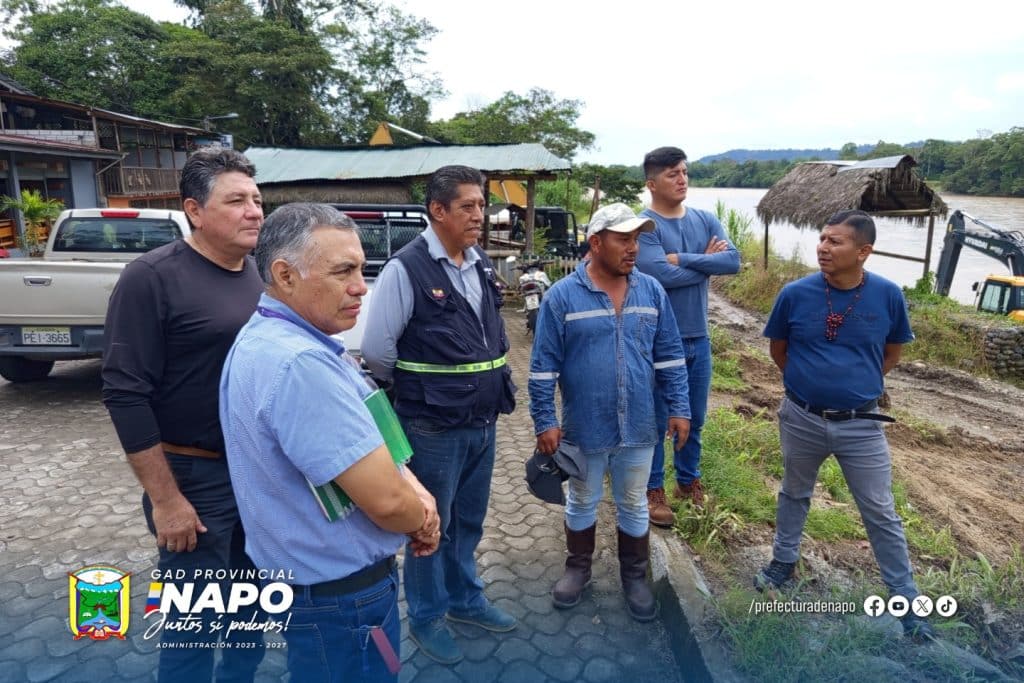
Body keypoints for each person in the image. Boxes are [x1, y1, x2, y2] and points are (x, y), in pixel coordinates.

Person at [219, 203, 441, 682]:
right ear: (285, 275)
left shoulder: (280, 337)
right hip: (343, 601)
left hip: (318, 592)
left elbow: (375, 446)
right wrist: (422, 517)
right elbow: (384, 503)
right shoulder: (299, 363)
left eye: (362, 269)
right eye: (343, 271)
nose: (361, 286)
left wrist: (413, 488)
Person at [101, 148, 267, 680]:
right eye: (237, 200)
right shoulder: (151, 278)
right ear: (195, 210)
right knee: (191, 625)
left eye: (257, 199)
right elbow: (125, 395)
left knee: (253, 610)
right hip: (193, 479)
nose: (254, 211)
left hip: (257, 474)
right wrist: (166, 500)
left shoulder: (255, 271)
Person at [362, 165, 518, 665]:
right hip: (431, 426)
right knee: (429, 524)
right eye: (468, 206)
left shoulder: (479, 263)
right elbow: (378, 351)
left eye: (481, 205)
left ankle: (466, 601)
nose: (480, 216)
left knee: (467, 521)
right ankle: (428, 617)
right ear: (438, 210)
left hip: (483, 422)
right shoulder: (404, 270)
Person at [757, 209, 934, 639]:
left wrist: (852, 388)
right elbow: (779, 352)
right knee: (794, 491)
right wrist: (810, 386)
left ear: (864, 251)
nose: (823, 247)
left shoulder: (888, 296)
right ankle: (783, 560)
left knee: (879, 509)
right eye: (821, 238)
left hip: (862, 424)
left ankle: (905, 599)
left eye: (835, 241)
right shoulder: (795, 294)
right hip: (801, 416)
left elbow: (890, 355)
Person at [528, 203, 691, 621]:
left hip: (640, 424)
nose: (633, 248)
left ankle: (634, 576)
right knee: (583, 499)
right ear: (596, 242)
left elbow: (670, 354)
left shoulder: (652, 291)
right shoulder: (561, 297)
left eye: (637, 239)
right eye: (623, 239)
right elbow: (543, 365)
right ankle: (578, 568)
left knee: (634, 502)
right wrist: (545, 420)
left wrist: (679, 407)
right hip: (585, 426)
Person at [636, 146, 741, 527]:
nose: (682, 179)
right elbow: (658, 275)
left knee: (694, 418)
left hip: (699, 337)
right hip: (658, 341)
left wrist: (684, 258)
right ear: (651, 183)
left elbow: (733, 261)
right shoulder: (644, 226)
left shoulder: (705, 218)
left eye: (684, 172)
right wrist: (705, 263)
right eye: (672, 174)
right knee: (656, 419)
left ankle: (688, 480)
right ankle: (652, 489)